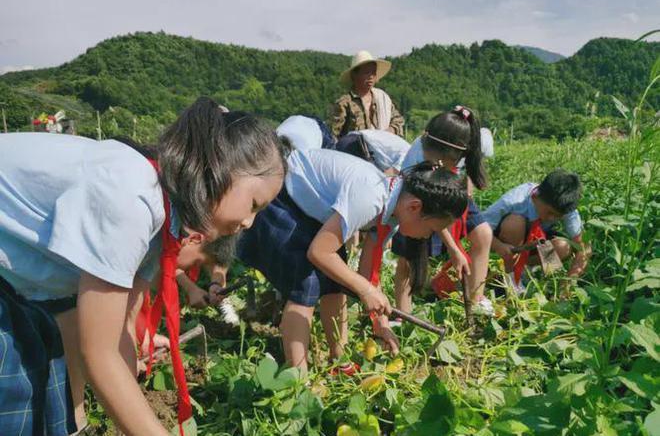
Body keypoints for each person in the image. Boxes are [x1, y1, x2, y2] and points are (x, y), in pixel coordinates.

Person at [0, 97, 286, 436]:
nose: (251, 223)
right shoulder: (132, 196)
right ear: (220, 167)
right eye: (254, 204)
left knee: (47, 396)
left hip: (17, 283)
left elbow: (116, 331)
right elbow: (100, 353)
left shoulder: (163, 218)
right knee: (15, 394)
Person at [237, 145, 468, 374]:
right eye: (431, 229)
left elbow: (368, 273)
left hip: (311, 213)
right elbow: (318, 252)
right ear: (415, 207)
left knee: (336, 281)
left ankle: (339, 360)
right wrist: (366, 290)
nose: (427, 237)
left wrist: (380, 322)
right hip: (283, 198)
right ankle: (298, 380)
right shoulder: (371, 197)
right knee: (306, 284)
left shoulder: (392, 213)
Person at [392, 106, 494, 317]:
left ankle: (475, 300)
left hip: (448, 194)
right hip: (421, 202)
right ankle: (404, 316)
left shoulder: (459, 147)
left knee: (483, 234)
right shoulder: (419, 156)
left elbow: (464, 182)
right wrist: (454, 249)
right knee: (410, 259)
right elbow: (431, 214)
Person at [483, 169, 590, 293]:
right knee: (515, 223)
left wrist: (569, 281)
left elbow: (584, 246)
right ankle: (509, 276)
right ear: (536, 197)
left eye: (558, 216)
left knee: (563, 246)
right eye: (549, 212)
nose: (552, 218)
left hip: (534, 244)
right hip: (506, 246)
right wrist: (498, 246)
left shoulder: (565, 206)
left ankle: (528, 271)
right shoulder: (514, 200)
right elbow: (478, 229)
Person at [328, 51, 404, 138]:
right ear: (354, 75)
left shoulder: (382, 98)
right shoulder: (344, 103)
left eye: (373, 72)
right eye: (366, 72)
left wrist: (389, 132)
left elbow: (398, 120)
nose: (371, 76)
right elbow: (333, 135)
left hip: (381, 149)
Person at [335, 129, 411, 176]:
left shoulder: (409, 149)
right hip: (355, 146)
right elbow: (386, 177)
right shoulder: (409, 156)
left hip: (353, 141)